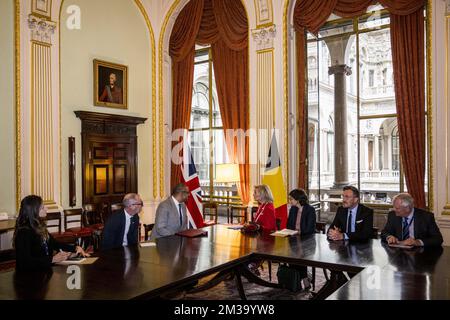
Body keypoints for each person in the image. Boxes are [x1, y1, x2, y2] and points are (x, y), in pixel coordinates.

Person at [14, 195, 89, 271]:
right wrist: (52, 259)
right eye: (42, 207)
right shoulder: (23, 232)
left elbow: (54, 243)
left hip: (43, 272)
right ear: (34, 211)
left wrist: (75, 249)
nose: (46, 208)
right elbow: (24, 263)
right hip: (29, 278)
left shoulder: (39, 227)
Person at [286, 188, 317, 290]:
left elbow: (310, 229)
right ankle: (302, 278)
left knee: (299, 255)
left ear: (298, 199)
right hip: (294, 238)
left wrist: (298, 232)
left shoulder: (310, 210)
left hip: (307, 240)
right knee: (291, 255)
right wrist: (290, 232)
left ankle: (302, 279)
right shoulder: (293, 209)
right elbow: (289, 225)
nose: (289, 201)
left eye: (291, 199)